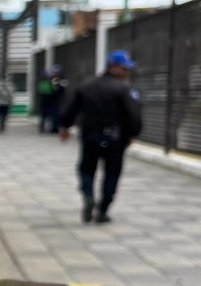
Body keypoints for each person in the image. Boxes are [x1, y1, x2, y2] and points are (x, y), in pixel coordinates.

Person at [58, 49, 143, 224]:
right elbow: (132, 114)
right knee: (111, 174)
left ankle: (88, 195)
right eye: (124, 68)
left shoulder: (86, 85)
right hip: (114, 138)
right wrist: (133, 133)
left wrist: (65, 126)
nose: (127, 72)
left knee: (86, 169)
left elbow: (71, 107)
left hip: (89, 135)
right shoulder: (123, 89)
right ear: (114, 67)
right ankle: (102, 211)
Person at [37, 65, 67, 134]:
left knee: (50, 116)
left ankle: (51, 129)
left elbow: (62, 90)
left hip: (52, 102)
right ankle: (50, 129)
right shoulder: (47, 82)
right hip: (49, 102)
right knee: (48, 115)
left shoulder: (59, 80)